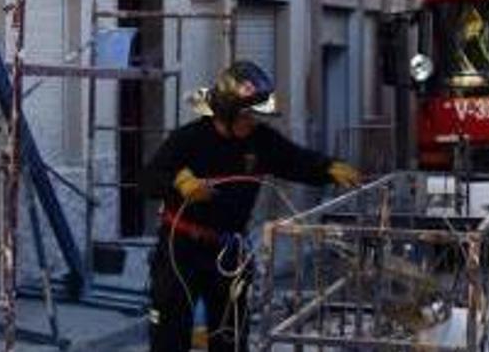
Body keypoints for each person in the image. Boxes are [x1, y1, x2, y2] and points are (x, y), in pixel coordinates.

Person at [141, 60, 363, 352]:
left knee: (231, 337)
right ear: (227, 111)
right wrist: (178, 182)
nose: (254, 121)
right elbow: (147, 180)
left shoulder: (261, 141)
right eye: (248, 115)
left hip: (229, 252)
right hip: (180, 250)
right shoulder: (189, 139)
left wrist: (328, 167)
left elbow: (295, 160)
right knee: (169, 336)